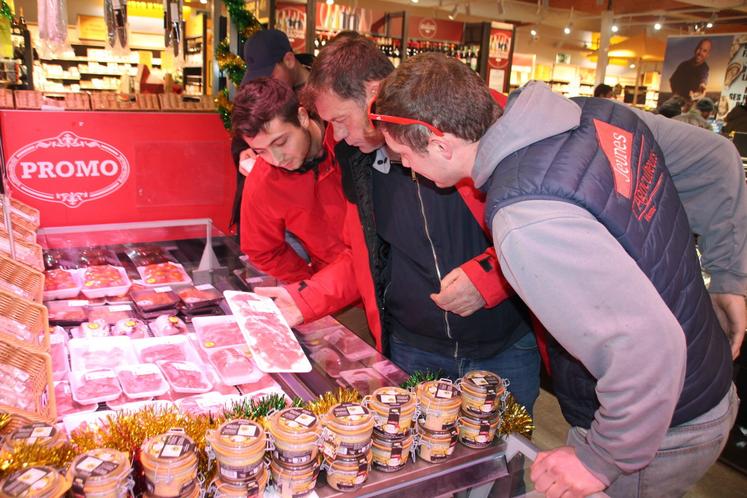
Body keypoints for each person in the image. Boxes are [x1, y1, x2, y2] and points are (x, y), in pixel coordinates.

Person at [372, 52, 745, 498]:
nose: (406, 168)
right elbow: (715, 156)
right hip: (702, 382)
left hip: (658, 424)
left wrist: (602, 459)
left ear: (440, 143)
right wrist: (730, 276)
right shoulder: (597, 114)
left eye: (403, 155)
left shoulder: (525, 218)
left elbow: (647, 345)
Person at [257, 36, 541, 413]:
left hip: (502, 345)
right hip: (413, 349)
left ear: (374, 94)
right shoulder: (354, 158)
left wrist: (489, 279)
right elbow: (361, 256)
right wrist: (303, 298)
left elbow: (538, 234)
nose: (336, 135)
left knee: (505, 463)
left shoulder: (461, 127)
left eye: (340, 120)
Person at [231, 77, 346, 283]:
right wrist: (308, 283)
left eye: (281, 141)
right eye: (260, 151)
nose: (276, 159)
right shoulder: (263, 181)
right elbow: (263, 250)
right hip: (335, 289)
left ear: (302, 117)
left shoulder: (350, 141)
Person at [230, 29, 312, 235]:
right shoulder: (264, 96)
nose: (267, 84)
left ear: (289, 59)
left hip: (314, 215)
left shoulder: (326, 90)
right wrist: (244, 152)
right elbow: (241, 137)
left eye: (270, 74)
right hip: (275, 212)